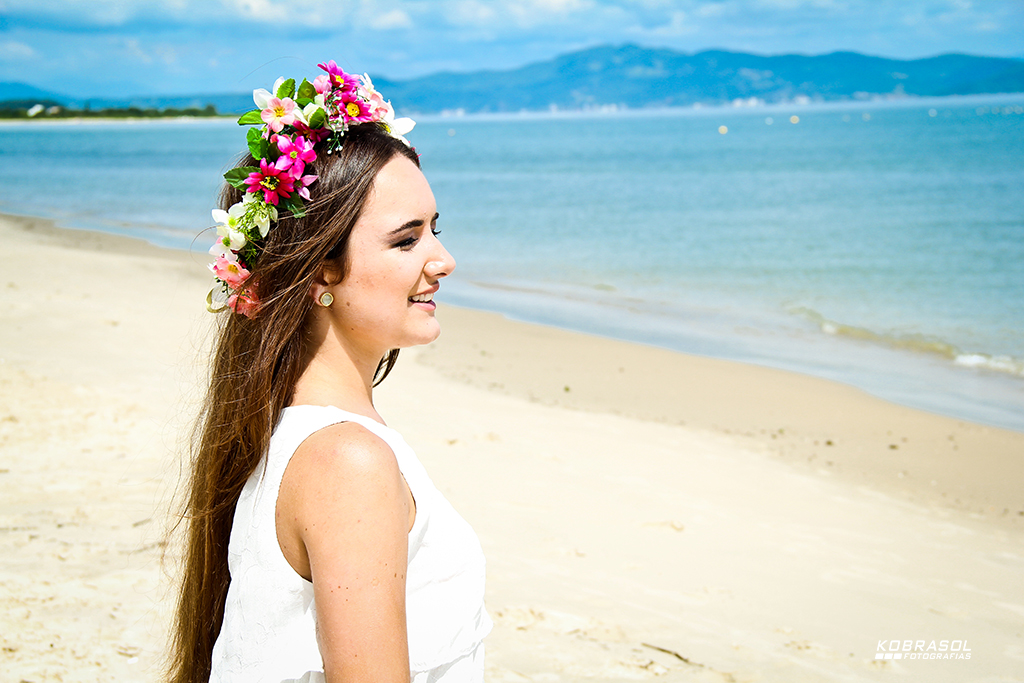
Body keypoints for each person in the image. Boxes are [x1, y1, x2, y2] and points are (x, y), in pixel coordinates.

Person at [167, 61, 492, 683]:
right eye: (406, 240)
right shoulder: (347, 460)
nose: (443, 260)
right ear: (319, 270)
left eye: (435, 231)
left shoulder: (293, 433)